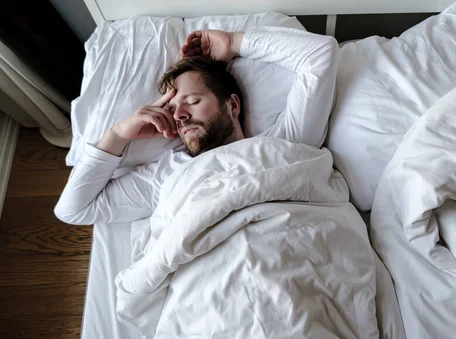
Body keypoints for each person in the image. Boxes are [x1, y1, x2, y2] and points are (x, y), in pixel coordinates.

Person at [55, 27, 338, 225]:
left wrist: (233, 43)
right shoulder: (169, 175)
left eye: (192, 101)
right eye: (172, 108)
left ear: (233, 105)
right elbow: (74, 210)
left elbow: (320, 54)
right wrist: (118, 135)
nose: (179, 115)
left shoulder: (287, 140)